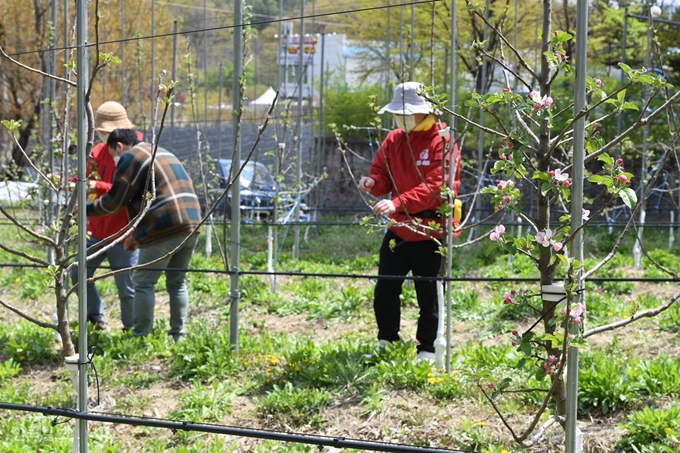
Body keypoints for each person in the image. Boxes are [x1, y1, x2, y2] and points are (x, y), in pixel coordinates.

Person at [358, 81, 460, 363]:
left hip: (431, 231)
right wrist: (373, 183)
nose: (400, 118)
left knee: (429, 293)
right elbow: (381, 172)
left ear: (424, 112)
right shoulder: (394, 139)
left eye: (406, 113)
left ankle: (427, 349)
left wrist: (397, 202)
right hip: (398, 228)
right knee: (385, 288)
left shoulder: (443, 141)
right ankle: (387, 340)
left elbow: (437, 188)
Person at [86, 128, 202, 342]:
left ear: (118, 146)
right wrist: (136, 237)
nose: (115, 159)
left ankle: (141, 337)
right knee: (177, 282)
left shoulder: (131, 157)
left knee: (143, 283)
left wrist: (85, 208)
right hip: (191, 222)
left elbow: (114, 202)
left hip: (166, 224)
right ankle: (178, 335)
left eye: (113, 154)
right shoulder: (160, 151)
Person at [70, 101, 141, 331]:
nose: (103, 138)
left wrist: (97, 185)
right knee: (78, 273)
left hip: (123, 233)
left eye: (106, 133)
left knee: (127, 286)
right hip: (96, 230)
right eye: (100, 132)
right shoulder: (96, 151)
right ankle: (95, 317)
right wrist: (75, 187)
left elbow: (127, 190)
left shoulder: (136, 150)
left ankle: (132, 329)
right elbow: (79, 179)